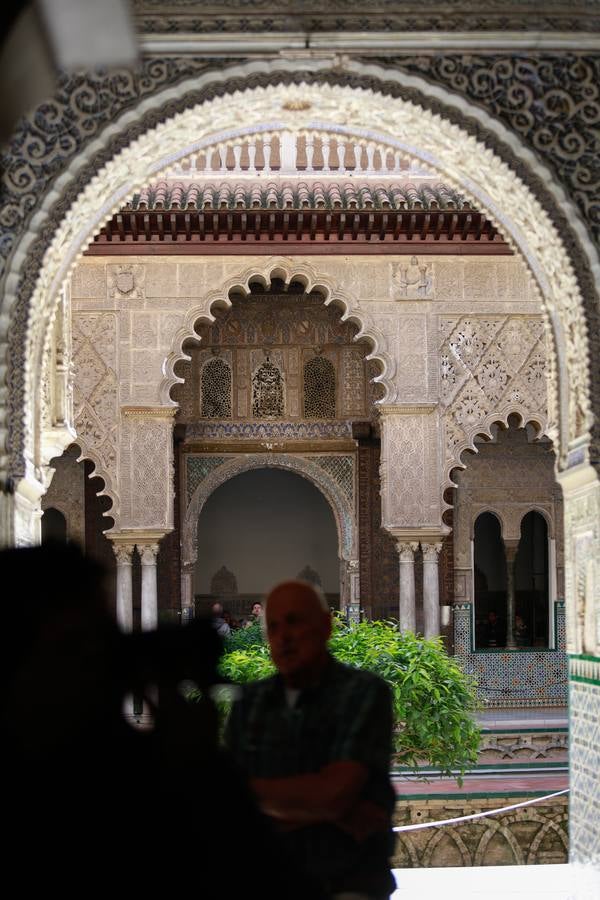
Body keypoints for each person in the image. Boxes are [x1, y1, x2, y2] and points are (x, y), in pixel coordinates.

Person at [226, 580, 396, 900]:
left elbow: (334, 794)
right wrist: (333, 811)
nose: (284, 637)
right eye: (273, 626)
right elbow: (230, 807)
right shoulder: (250, 702)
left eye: (294, 621)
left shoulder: (363, 693)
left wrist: (257, 797)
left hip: (348, 880)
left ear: (326, 626)